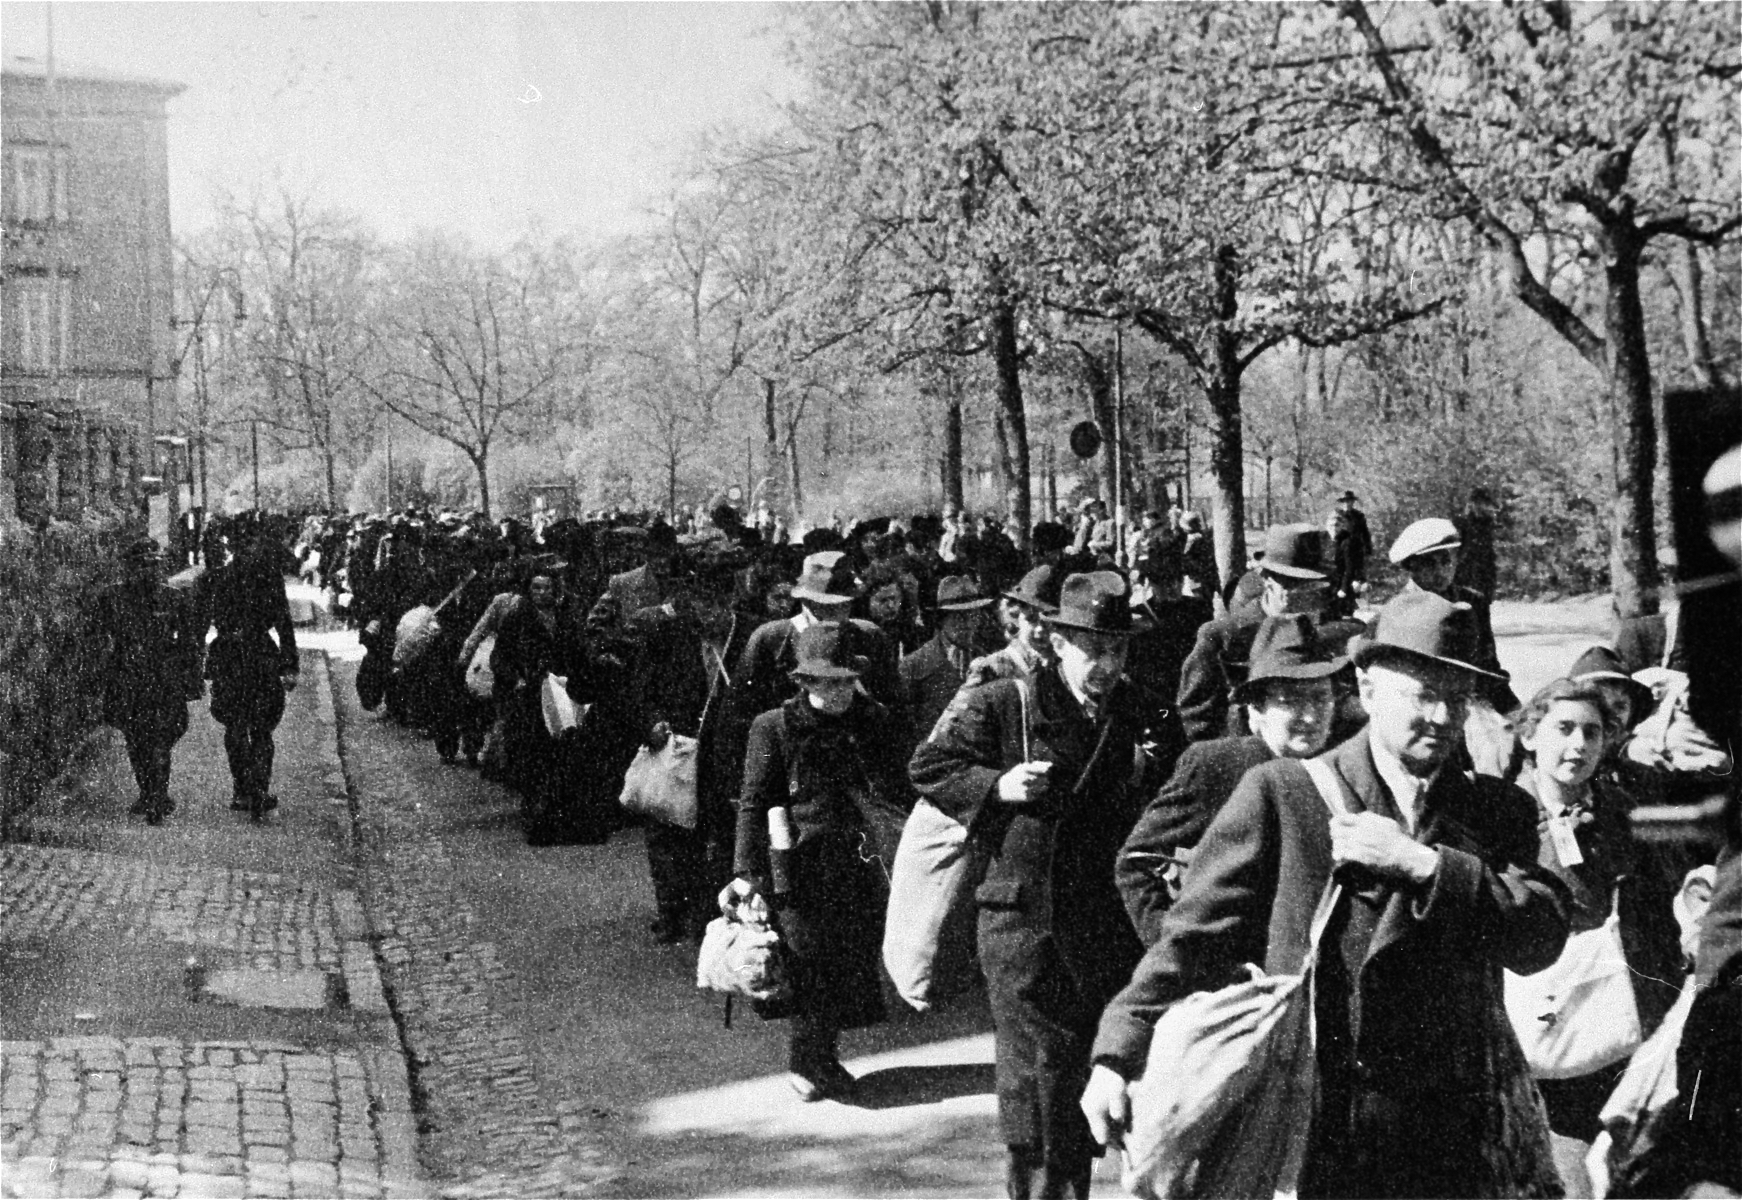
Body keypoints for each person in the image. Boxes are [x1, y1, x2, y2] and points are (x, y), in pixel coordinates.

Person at [1084, 589, 1571, 1200]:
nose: (1444, 718)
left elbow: (1538, 937)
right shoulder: (1285, 794)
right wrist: (1116, 1054)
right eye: (1423, 694)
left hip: (1453, 1146)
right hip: (1322, 1135)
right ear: (1367, 689)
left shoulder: (1496, 809)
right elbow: (1191, 942)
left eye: (1456, 697)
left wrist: (1423, 865)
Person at [911, 572, 1151, 1200]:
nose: (1105, 665)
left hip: (1106, 923)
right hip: (1025, 929)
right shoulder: (1005, 702)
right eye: (1091, 649)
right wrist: (997, 785)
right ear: (1058, 644)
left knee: (1094, 1079)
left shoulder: (1137, 709)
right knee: (1042, 1086)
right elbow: (929, 764)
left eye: (1117, 649)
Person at [720, 623, 910, 1100]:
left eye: (846, 681)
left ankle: (824, 1056)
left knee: (848, 959)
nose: (838, 692)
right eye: (827, 683)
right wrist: (745, 873)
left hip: (860, 861)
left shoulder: (875, 720)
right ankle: (807, 1061)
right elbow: (752, 801)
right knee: (806, 963)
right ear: (803, 682)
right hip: (798, 866)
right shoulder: (774, 726)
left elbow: (895, 788)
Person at [1510, 678, 1684, 1196]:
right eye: (1563, 729)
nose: (1579, 745)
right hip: (1531, 1031)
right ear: (1529, 735)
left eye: (1592, 732)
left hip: (1616, 1022)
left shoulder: (1620, 810)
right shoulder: (1502, 812)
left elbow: (1664, 907)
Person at [1117, 614, 1348, 945]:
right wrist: (1173, 947)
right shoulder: (1217, 765)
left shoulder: (1340, 767)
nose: (1310, 716)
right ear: (1256, 708)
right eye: (1290, 700)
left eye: (1320, 697)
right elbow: (1136, 862)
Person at [1177, 524, 1362, 744]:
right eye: (1292, 582)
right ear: (1266, 578)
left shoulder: (1336, 634)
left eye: (1313, 584)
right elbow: (1195, 715)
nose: (1303, 593)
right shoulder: (1222, 636)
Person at [87, 538, 204, 825]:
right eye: (142, 564)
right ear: (130, 568)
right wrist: (100, 672)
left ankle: (157, 793)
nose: (149, 570)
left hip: (163, 676)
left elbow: (189, 642)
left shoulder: (173, 598)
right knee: (136, 737)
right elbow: (96, 638)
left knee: (164, 736)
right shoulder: (111, 598)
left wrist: (191, 676)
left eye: (155, 564)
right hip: (128, 675)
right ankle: (149, 792)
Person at [200, 516, 301, 821]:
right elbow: (199, 624)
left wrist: (289, 664)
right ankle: (248, 787)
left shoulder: (255, 578)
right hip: (243, 655)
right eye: (243, 544)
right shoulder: (223, 578)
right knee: (245, 727)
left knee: (253, 726)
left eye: (250, 543)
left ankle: (251, 788)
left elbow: (283, 622)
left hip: (247, 655)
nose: (247, 550)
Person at [898, 575, 996, 756]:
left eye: (973, 616)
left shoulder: (987, 662)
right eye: (958, 617)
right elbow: (904, 730)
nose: (967, 624)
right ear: (941, 619)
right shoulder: (914, 666)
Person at [1454, 486, 1501, 604]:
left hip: (1483, 579)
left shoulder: (1487, 526)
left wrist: (1490, 586)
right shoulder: (1461, 524)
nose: (1489, 508)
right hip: (1465, 577)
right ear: (1474, 503)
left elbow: (1489, 557)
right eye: (1485, 504)